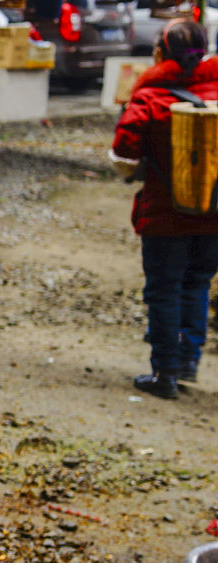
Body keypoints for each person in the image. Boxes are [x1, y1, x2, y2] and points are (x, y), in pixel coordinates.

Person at [111, 19, 218, 400]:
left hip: (164, 214)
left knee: (164, 291)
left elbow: (124, 152)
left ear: (161, 53)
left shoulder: (149, 97)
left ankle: (165, 373)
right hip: (214, 213)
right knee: (197, 283)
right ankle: (188, 362)